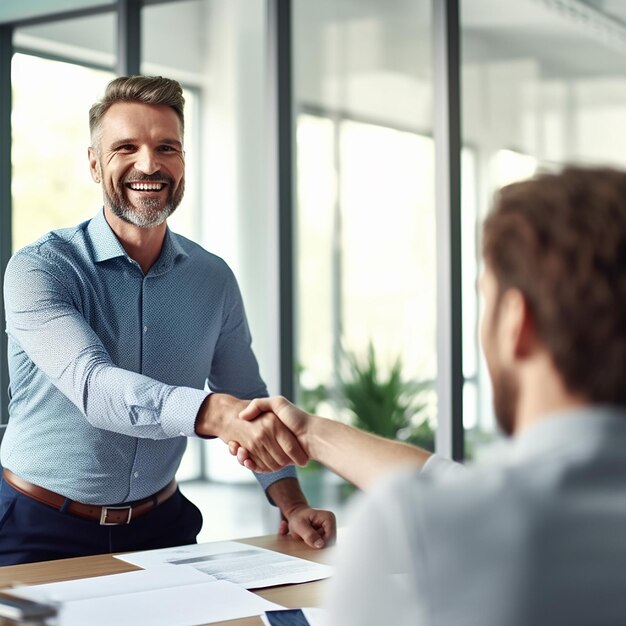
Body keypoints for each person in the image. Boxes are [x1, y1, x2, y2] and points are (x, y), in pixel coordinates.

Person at [232, 166, 626, 625]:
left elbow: (449, 503)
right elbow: (452, 482)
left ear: (517, 322)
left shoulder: (420, 529)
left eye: (486, 298)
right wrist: (313, 435)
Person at [0, 75, 335, 566]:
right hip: (38, 528)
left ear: (183, 162)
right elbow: (96, 388)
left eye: (167, 147)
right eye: (126, 148)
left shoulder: (212, 278)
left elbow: (246, 397)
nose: (148, 164)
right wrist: (213, 414)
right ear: (94, 164)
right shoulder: (40, 269)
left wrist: (292, 502)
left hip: (162, 527)